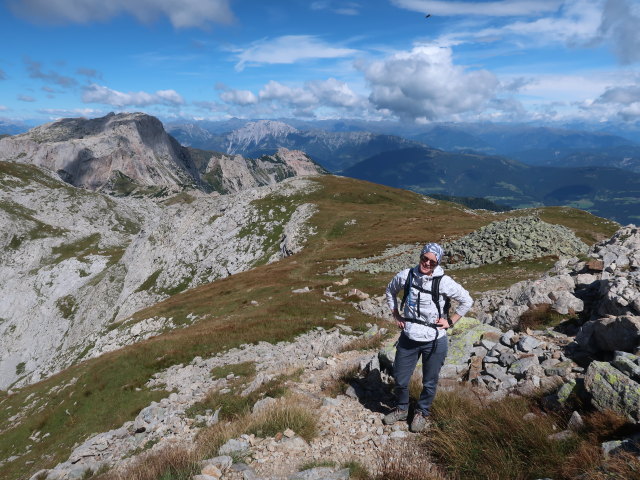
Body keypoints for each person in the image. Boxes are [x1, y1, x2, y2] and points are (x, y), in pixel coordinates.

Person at [383, 242, 473, 432]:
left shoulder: (444, 281)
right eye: (425, 258)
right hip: (409, 336)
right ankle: (402, 408)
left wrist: (451, 321)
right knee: (400, 378)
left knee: (430, 381)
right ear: (421, 256)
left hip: (435, 339)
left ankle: (422, 412)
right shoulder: (405, 275)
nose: (427, 263)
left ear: (438, 262)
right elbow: (390, 291)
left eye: (433, 261)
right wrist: (396, 315)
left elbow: (467, 300)